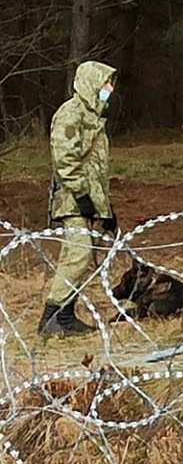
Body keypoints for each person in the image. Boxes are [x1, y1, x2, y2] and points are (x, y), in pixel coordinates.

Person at [39, 61, 119, 336]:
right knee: (78, 254)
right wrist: (82, 195)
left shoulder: (94, 118)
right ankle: (53, 315)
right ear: (91, 83)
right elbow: (65, 160)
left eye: (111, 83)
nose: (110, 89)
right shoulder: (71, 113)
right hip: (72, 199)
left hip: (87, 200)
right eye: (106, 83)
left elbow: (96, 170)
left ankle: (65, 315)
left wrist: (106, 209)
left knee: (76, 257)